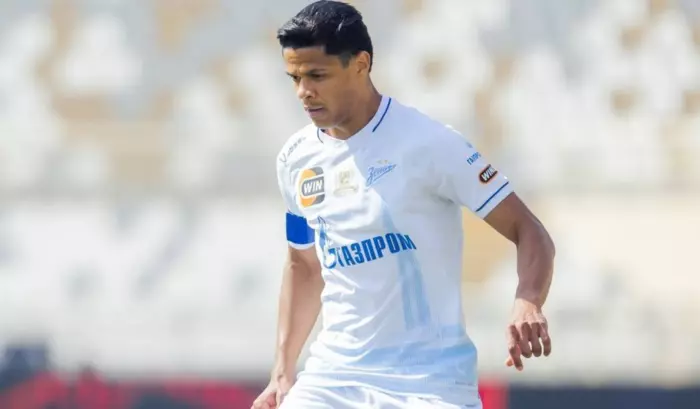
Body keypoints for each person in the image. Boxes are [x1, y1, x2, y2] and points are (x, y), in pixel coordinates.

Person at [252, 1, 556, 408]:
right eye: (295, 78)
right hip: (332, 380)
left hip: (429, 383)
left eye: (317, 75)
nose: (303, 92)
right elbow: (303, 265)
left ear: (361, 64)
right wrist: (282, 370)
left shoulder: (430, 143)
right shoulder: (295, 159)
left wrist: (528, 301)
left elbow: (529, 230)